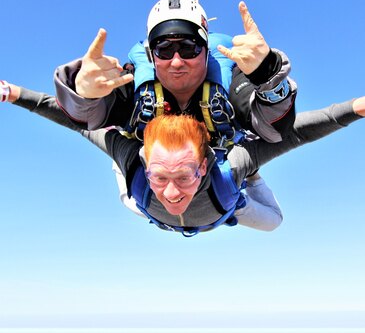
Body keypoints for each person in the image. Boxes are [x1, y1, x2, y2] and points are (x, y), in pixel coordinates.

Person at [3, 82, 365, 236]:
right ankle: (146, 163)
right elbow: (75, 121)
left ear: (204, 166)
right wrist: (14, 93)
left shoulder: (230, 167)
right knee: (128, 187)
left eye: (184, 176)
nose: (173, 192)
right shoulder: (136, 163)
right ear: (147, 165)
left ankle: (251, 177)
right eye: (161, 176)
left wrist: (354, 109)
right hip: (146, 187)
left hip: (225, 205)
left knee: (274, 221)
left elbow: (300, 131)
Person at [55, 0, 297, 145]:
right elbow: (88, 118)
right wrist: (84, 93)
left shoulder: (231, 81)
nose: (177, 61)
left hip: (221, 171)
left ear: (206, 50)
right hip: (152, 173)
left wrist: (268, 75)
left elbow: (275, 131)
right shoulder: (132, 84)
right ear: (151, 55)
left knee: (270, 219)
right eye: (165, 49)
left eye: (189, 48)